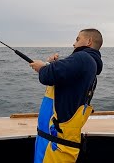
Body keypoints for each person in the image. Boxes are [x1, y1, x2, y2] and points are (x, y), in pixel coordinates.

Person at [29, 28, 103, 163]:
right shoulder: (88, 63)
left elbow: (48, 76)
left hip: (55, 143)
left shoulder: (83, 58)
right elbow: (61, 78)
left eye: (77, 39)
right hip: (54, 139)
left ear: (89, 41)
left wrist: (43, 68)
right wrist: (51, 65)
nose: (74, 44)